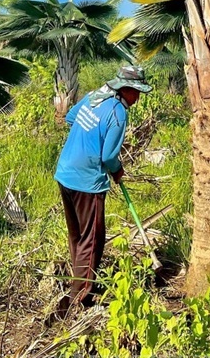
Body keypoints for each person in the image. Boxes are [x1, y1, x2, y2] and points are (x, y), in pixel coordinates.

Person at [53, 65, 152, 315]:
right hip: (87, 182)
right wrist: (117, 170)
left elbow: (71, 117)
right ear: (126, 89)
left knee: (77, 236)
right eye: (137, 92)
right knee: (92, 239)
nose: (138, 98)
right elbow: (108, 156)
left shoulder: (94, 96)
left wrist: (89, 131)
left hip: (65, 173)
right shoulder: (118, 112)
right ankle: (79, 299)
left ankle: (77, 285)